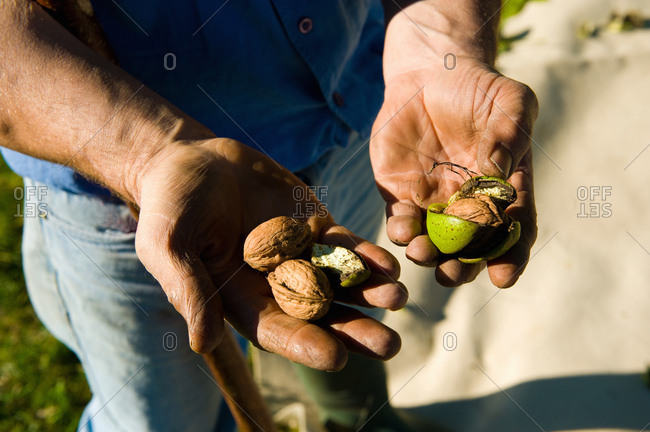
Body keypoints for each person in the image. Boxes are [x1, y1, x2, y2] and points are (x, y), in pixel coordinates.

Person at [0, 0, 538, 431]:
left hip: (363, 121)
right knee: (160, 417)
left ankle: (356, 421)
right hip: (125, 191)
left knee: (351, 315)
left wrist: (441, 42)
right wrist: (149, 153)